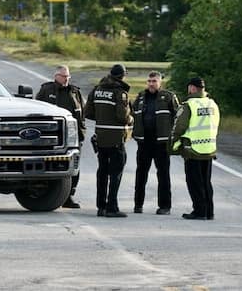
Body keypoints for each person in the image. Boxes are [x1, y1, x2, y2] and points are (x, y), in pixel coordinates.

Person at [85, 64, 133, 217]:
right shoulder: (120, 92)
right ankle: (112, 207)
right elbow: (122, 116)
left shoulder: (97, 90)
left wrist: (102, 118)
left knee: (102, 172)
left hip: (101, 137)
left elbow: (88, 112)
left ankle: (101, 207)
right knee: (115, 174)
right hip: (116, 138)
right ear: (122, 76)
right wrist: (131, 118)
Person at [36, 65, 86, 208]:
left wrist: (82, 132)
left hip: (72, 137)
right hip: (50, 137)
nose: (66, 79)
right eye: (64, 76)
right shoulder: (46, 90)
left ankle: (68, 196)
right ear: (56, 76)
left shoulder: (75, 92)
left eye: (68, 76)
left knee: (73, 167)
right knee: (52, 166)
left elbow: (82, 113)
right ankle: (49, 194)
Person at [170, 77, 220, 220]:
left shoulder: (189, 105)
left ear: (192, 88)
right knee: (206, 181)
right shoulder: (212, 104)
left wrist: (173, 143)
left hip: (192, 149)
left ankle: (199, 211)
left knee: (194, 182)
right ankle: (209, 212)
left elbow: (179, 126)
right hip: (209, 148)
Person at [131, 71, 179, 215]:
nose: (151, 84)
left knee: (163, 175)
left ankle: (165, 206)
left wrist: (174, 137)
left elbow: (178, 117)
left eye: (154, 81)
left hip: (161, 143)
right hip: (144, 142)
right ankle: (138, 205)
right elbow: (132, 115)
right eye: (149, 81)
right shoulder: (140, 97)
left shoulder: (168, 97)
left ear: (160, 82)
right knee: (141, 175)